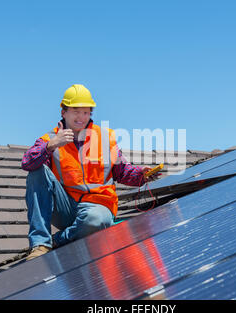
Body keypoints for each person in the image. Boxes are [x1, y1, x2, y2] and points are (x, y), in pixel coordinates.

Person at [21, 84, 160, 260]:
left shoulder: (104, 137)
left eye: (86, 112)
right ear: (64, 112)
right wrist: (51, 145)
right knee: (36, 171)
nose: (81, 117)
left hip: (98, 207)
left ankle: (57, 240)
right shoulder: (50, 139)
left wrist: (141, 174)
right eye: (76, 111)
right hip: (67, 209)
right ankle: (40, 244)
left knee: (96, 220)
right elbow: (27, 163)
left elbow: (122, 171)